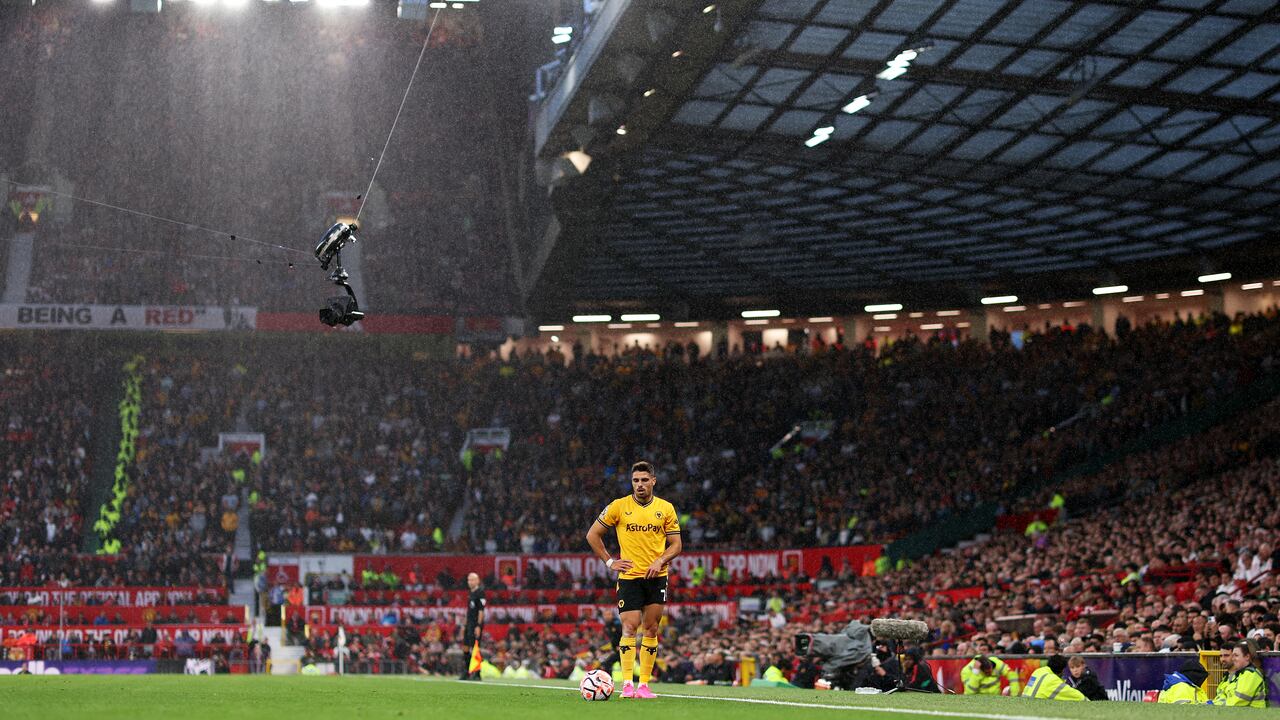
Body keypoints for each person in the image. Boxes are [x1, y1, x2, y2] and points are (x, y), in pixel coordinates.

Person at [585, 460, 682, 700]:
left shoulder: (665, 508)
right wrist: (609, 562)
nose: (639, 484)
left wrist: (661, 560)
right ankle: (627, 684)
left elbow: (677, 544)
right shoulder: (619, 506)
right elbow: (592, 535)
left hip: (656, 577)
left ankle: (645, 686)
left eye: (644, 480)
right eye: (635, 480)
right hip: (629, 577)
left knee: (651, 628)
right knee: (629, 627)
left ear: (653, 481)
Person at [1212, 641, 1267, 707]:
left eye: (1236, 655)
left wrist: (1216, 705)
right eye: (1233, 656)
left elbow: (1239, 700)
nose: (1233, 659)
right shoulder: (1241, 674)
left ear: (1247, 657)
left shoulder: (1250, 674)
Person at [1022, 655, 1086, 701]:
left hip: (1024, 702)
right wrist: (1086, 700)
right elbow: (1077, 696)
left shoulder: (1038, 671)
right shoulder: (1053, 680)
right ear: (1061, 671)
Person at [458, 572, 485, 681]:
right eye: (469, 580)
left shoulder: (480, 592)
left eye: (472, 580)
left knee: (475, 648)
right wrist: (464, 625)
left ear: (477, 581)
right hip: (468, 624)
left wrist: (478, 625)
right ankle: (467, 671)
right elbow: (469, 611)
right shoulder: (471, 593)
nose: (470, 582)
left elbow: (481, 611)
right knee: (465, 647)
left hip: (475, 625)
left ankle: (477, 673)